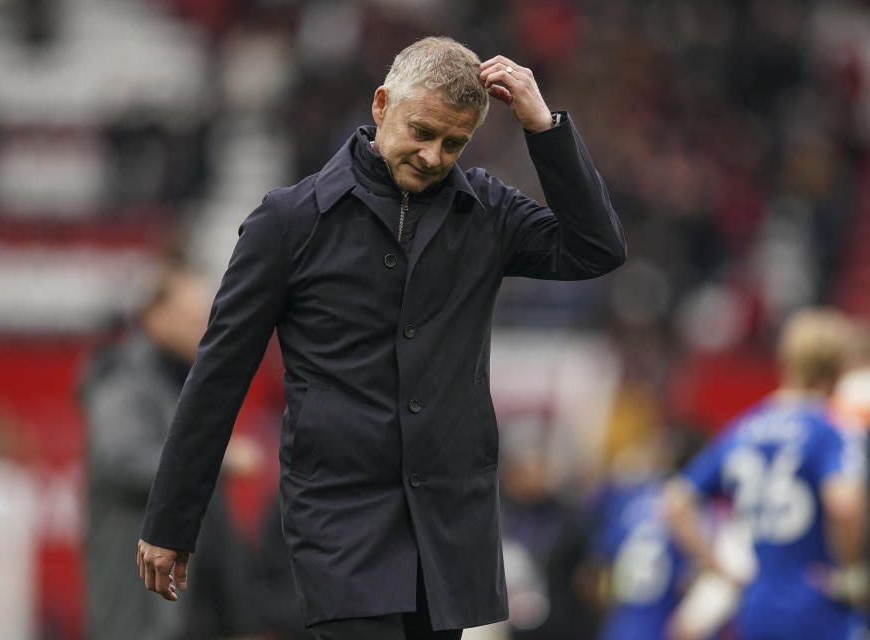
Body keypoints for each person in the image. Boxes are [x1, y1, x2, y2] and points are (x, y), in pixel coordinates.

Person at [137, 36, 626, 640]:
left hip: (447, 528)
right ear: (380, 105)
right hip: (338, 524)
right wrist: (170, 522)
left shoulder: (488, 213)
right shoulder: (289, 222)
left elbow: (597, 248)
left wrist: (543, 126)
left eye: (453, 143)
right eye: (421, 131)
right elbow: (218, 377)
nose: (431, 154)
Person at [662, 308, 867, 640]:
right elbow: (844, 503)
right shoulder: (831, 429)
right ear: (838, 368)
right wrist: (850, 574)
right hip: (818, 606)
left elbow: (675, 501)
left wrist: (720, 569)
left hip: (756, 606)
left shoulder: (745, 427)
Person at [82, 263, 258, 640]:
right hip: (141, 602)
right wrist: (217, 462)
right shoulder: (123, 378)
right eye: (193, 315)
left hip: (197, 600)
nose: (204, 325)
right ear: (154, 315)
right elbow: (122, 460)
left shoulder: (184, 378)